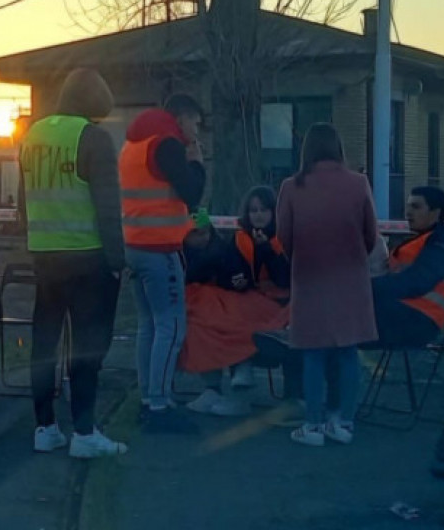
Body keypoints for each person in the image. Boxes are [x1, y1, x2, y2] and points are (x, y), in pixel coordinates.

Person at [20, 68, 128, 459]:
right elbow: (107, 207)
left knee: (44, 345)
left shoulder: (32, 136)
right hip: (88, 260)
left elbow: (23, 203)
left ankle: (44, 427)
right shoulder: (94, 138)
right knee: (87, 347)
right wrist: (118, 260)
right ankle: (84, 431)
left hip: (45, 257)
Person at [276, 122, 378, 447]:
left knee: (313, 353)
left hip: (310, 278)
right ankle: (344, 422)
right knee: (349, 352)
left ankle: (313, 425)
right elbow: (371, 234)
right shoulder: (359, 184)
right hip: (350, 278)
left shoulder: (291, 187)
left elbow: (284, 237)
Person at [120, 93, 206, 433]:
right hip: (160, 250)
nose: (196, 131)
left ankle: (149, 397)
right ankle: (159, 404)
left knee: (149, 326)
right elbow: (191, 193)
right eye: (195, 123)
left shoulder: (134, 144)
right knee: (171, 327)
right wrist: (197, 163)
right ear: (181, 118)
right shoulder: (167, 145)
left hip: (135, 246)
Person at [180, 198, 289, 417]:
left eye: (204, 233)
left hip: (264, 301)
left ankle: (240, 373)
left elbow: (280, 278)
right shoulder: (236, 240)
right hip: (220, 301)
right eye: (195, 234)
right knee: (201, 325)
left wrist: (262, 253)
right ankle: (215, 386)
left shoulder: (281, 238)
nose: (201, 238)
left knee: (232, 321)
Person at [370, 186, 444, 348]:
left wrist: (365, 288)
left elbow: (416, 282)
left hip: (418, 322)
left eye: (416, 207)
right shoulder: (431, 239)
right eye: (408, 206)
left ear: (436, 213)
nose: (408, 213)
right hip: (404, 314)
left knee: (338, 329)